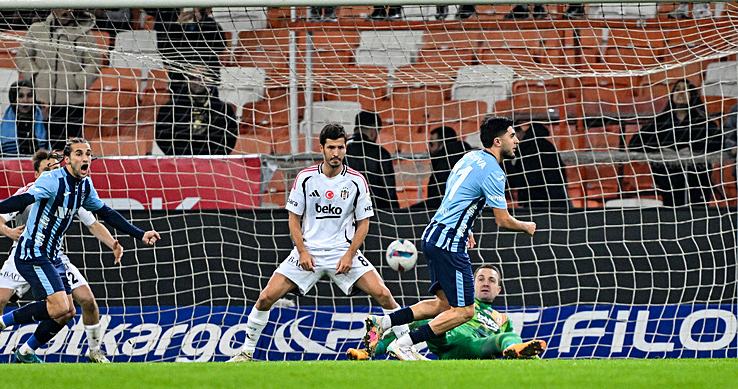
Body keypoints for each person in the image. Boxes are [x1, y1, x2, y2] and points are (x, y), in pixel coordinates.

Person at [0, 137, 161, 363]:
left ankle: (25, 352)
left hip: (53, 256)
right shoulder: (52, 179)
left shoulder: (85, 186)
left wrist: (140, 234)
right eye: (79, 153)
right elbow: (23, 199)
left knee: (68, 311)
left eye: (88, 153)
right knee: (56, 306)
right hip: (33, 252)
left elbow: (106, 214)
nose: (85, 158)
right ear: (67, 159)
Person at [363, 116, 537, 360]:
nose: (516, 140)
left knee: (443, 305)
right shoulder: (495, 172)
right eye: (512, 135)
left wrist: (468, 228)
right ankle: (403, 344)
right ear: (498, 141)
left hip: (434, 234)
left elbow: (457, 195)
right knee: (465, 311)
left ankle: (384, 322)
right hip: (450, 244)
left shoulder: (470, 157)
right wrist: (526, 226)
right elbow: (503, 220)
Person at [227, 124, 401, 362]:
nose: (336, 153)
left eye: (341, 147)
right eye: (331, 147)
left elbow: (364, 223)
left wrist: (350, 255)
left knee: (384, 294)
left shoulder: (356, 181)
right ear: (322, 148)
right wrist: (302, 252)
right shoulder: (306, 178)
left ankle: (404, 347)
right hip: (309, 252)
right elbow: (293, 219)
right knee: (266, 298)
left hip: (342, 252)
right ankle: (246, 352)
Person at [347, 264, 546, 360]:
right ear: (472, 284)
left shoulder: (502, 319)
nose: (486, 283)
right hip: (444, 336)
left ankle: (521, 353)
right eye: (481, 279)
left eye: (492, 280)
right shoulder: (459, 303)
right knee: (419, 323)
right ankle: (368, 351)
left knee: (507, 337)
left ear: (499, 289)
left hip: (472, 346)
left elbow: (504, 337)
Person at [16, 6, 100, 149]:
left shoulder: (85, 33)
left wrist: (79, 82)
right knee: (42, 144)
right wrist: (36, 76)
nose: (66, 11)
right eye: (62, 7)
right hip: (43, 100)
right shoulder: (37, 30)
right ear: (54, 8)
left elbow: (94, 63)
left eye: (70, 8)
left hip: (73, 102)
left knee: (69, 149)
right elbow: (23, 56)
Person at [629, 79, 719, 206]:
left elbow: (716, 144)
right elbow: (635, 143)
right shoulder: (659, 122)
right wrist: (660, 150)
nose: (680, 93)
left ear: (692, 95)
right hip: (668, 181)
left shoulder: (705, 123)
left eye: (685, 90)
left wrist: (692, 150)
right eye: (677, 90)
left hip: (697, 182)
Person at [155, 67, 238, 156]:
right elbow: (162, 138)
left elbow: (230, 139)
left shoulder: (224, 110)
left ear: (210, 78)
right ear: (186, 79)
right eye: (192, 77)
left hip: (213, 164)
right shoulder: (169, 109)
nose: (197, 81)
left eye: (202, 77)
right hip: (180, 163)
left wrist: (209, 157)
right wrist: (183, 157)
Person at [156, 6, 228, 94]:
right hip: (180, 79)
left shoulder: (210, 24)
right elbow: (164, 51)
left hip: (207, 76)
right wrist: (177, 25)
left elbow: (220, 45)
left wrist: (202, 22)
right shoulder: (171, 27)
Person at [503, 122, 570, 209]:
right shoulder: (537, 146)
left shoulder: (533, 149)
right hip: (551, 200)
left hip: (543, 203)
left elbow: (527, 179)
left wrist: (506, 164)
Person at [344, 110, 399, 210]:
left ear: (356, 128)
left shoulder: (338, 150)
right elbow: (388, 190)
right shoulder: (380, 153)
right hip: (374, 213)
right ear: (374, 131)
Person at [0, 80, 50, 157]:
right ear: (13, 99)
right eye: (20, 96)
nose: (25, 100)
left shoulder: (44, 122)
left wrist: (46, 120)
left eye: (29, 96)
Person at [422, 126, 473, 210]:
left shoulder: (443, 165)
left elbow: (436, 200)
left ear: (442, 144)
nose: (428, 149)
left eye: (431, 144)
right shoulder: (466, 157)